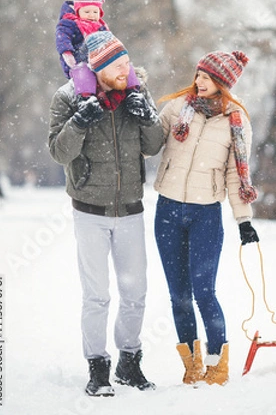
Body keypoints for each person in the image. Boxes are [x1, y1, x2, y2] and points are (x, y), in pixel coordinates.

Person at [48, 30, 164, 397]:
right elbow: (58, 152)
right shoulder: (67, 98)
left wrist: (147, 117)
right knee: (96, 295)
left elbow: (154, 145)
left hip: (130, 208)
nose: (127, 70)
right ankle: (98, 368)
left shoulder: (136, 93)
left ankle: (129, 362)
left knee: (136, 293)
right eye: (120, 65)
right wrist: (80, 121)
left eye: (128, 62)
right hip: (90, 211)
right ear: (98, 68)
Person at [153, 50, 259, 386]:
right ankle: (191, 366)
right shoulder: (175, 109)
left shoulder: (236, 121)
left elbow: (235, 174)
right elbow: (149, 145)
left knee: (203, 292)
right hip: (167, 210)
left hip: (206, 215)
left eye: (208, 77)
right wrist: (141, 114)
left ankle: (218, 365)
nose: (199, 82)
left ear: (222, 84)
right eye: (198, 74)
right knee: (178, 295)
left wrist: (244, 221)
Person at [55, 0, 139, 96]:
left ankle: (133, 92)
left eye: (95, 12)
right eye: (87, 11)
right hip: (79, 61)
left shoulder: (102, 26)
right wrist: (68, 54)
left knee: (125, 66)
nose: (91, 15)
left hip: (102, 61)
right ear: (78, 11)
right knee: (84, 73)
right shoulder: (70, 23)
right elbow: (62, 37)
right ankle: (87, 100)